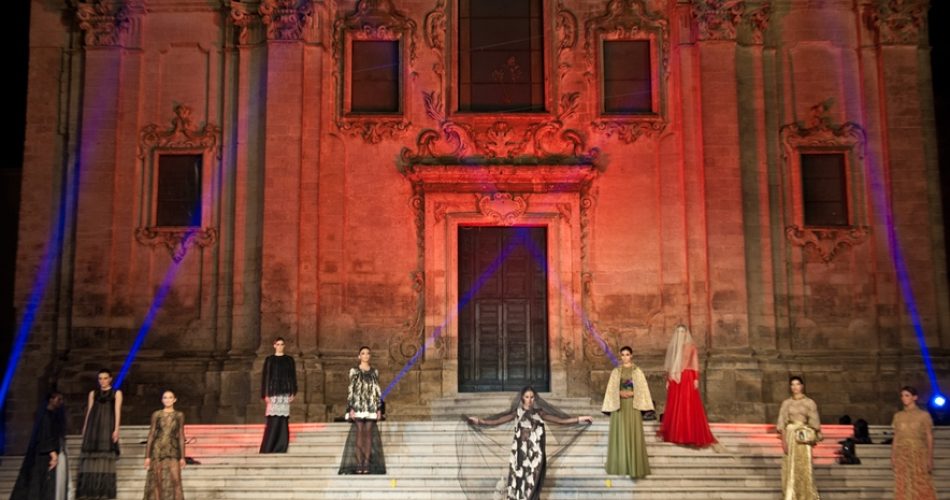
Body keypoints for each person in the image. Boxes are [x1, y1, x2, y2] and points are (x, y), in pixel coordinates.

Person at [466, 386, 593, 499]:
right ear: (522, 398)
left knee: (533, 482)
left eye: (532, 397)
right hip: (520, 454)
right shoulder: (517, 413)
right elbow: (496, 421)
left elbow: (560, 421)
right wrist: (479, 421)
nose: (530, 400)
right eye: (527, 397)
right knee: (519, 482)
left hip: (536, 454)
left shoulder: (540, 413)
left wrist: (580, 419)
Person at [659, 325, 717, 447]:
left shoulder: (691, 346)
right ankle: (675, 434)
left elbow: (694, 363)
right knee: (676, 404)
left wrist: (696, 378)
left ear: (686, 333)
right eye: (678, 332)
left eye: (682, 331)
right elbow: (670, 364)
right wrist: (669, 379)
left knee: (687, 404)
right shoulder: (674, 347)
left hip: (687, 377)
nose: (680, 334)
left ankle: (689, 434)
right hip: (675, 378)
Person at [602, 346, 654, 479]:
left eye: (627, 354)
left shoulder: (637, 371)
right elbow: (611, 389)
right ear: (620, 356)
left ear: (631, 355)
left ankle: (634, 467)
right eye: (623, 355)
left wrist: (633, 393)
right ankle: (620, 465)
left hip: (632, 405)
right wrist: (619, 393)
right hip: (619, 405)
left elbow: (643, 389)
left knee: (633, 433)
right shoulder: (616, 371)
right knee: (620, 433)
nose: (625, 357)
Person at [11, 391, 67, 500]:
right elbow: (45, 434)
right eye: (58, 399)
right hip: (44, 454)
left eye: (61, 400)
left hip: (48, 452)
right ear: (51, 400)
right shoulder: (45, 416)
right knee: (41, 481)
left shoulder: (53, 415)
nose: (60, 402)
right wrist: (52, 453)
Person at [338, 346, 386, 474]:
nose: (366, 355)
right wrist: (350, 408)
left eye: (368, 353)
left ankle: (367, 464)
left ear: (370, 356)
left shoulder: (374, 372)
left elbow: (377, 391)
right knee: (359, 432)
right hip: (358, 405)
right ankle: (359, 464)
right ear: (359, 356)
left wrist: (379, 408)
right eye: (363, 353)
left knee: (368, 434)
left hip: (371, 406)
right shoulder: (354, 371)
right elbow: (351, 390)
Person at [77, 368, 122, 499]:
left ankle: (103, 490)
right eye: (100, 378)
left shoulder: (116, 393)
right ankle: (89, 490)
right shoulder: (93, 393)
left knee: (105, 454)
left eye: (105, 378)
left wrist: (116, 429)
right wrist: (85, 426)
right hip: (94, 425)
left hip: (107, 425)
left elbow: (117, 411)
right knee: (92, 454)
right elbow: (89, 410)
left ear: (110, 379)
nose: (102, 381)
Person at [776, 375, 822, 500]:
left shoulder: (809, 403)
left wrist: (810, 434)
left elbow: (815, 423)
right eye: (792, 384)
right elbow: (782, 424)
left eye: (797, 384)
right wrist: (783, 441)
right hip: (790, 436)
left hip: (803, 437)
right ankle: (792, 495)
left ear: (802, 386)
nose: (795, 387)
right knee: (790, 466)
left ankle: (806, 495)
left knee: (805, 467)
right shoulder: (786, 403)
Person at [891, 386, 936, 500]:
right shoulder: (898, 416)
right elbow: (896, 436)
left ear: (915, 397)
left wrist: (930, 457)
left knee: (921, 482)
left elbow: (929, 436)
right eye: (902, 395)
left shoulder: (924, 415)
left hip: (919, 453)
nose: (904, 398)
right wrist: (893, 455)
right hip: (902, 454)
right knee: (902, 482)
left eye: (907, 395)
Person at [143, 390, 186, 500]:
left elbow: (181, 435)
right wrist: (147, 456)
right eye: (165, 397)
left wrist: (182, 457)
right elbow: (151, 434)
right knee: (157, 480)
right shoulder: (157, 414)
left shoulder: (179, 415)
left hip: (173, 449)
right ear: (162, 400)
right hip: (158, 449)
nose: (167, 400)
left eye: (170, 397)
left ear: (175, 400)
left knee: (176, 479)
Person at [259, 337, 297, 453]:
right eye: (278, 344)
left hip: (284, 393)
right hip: (273, 393)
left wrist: (293, 392)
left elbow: (292, 377)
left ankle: (281, 446)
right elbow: (266, 377)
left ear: (284, 346)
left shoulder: (289, 360)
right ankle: (269, 446)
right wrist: (265, 394)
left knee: (283, 420)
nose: (280, 346)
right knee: (273, 420)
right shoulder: (269, 360)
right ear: (274, 345)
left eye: (282, 344)